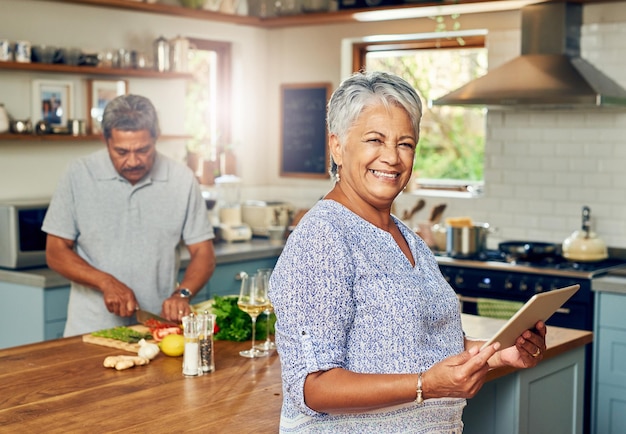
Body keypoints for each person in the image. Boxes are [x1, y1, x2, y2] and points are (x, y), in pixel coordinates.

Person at [268, 71, 546, 432]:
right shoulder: (323, 237)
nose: (392, 158)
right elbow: (312, 386)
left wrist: (495, 352)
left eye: (405, 144)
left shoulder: (405, 237)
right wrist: (424, 386)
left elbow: (418, 341)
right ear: (337, 146)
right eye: (374, 140)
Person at [42, 94, 215, 336]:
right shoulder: (78, 175)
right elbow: (56, 251)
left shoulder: (181, 179)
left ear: (155, 138)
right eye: (121, 151)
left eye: (143, 150)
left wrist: (182, 293)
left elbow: (203, 252)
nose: (133, 161)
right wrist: (105, 282)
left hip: (156, 329)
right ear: (106, 140)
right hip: (89, 331)